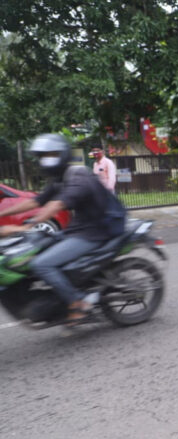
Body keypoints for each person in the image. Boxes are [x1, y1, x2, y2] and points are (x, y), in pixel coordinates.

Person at [0, 134, 119, 322]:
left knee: (41, 264)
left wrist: (26, 227)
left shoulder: (78, 176)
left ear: (62, 155)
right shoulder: (59, 178)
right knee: (41, 249)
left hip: (95, 231)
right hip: (80, 228)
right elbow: (35, 202)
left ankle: (78, 302)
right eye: (43, 156)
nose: (46, 160)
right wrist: (2, 214)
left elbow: (57, 205)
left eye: (51, 155)